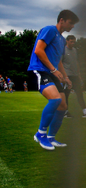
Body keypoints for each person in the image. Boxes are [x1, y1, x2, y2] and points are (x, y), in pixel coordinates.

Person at [28, 9, 79, 150]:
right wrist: (53, 70)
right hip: (40, 70)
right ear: (61, 20)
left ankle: (51, 137)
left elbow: (59, 62)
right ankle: (40, 134)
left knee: (63, 106)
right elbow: (39, 50)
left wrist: (66, 77)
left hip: (52, 72)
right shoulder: (50, 30)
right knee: (55, 99)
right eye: (71, 23)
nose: (72, 26)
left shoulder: (62, 40)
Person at [62, 35, 86, 118]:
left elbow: (76, 63)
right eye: (71, 41)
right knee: (66, 94)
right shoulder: (63, 50)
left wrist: (79, 75)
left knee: (79, 94)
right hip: (67, 75)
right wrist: (64, 77)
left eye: (74, 41)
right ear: (67, 41)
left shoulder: (74, 50)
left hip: (75, 75)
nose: (73, 43)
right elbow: (60, 63)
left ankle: (85, 112)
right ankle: (65, 112)